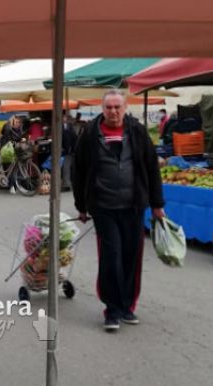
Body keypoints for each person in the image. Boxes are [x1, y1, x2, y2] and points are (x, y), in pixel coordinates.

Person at [72, 89, 165, 332]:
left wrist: (157, 204)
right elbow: (78, 171)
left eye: (117, 107)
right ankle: (112, 309)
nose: (113, 111)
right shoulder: (90, 133)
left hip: (134, 205)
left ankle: (127, 306)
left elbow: (151, 168)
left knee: (131, 256)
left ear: (125, 107)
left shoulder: (137, 131)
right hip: (103, 206)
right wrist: (81, 206)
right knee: (112, 257)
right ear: (102, 109)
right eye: (109, 107)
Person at [61, 113, 78, 192]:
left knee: (67, 167)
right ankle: (67, 183)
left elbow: (73, 138)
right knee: (67, 167)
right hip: (68, 150)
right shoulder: (65, 127)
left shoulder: (70, 127)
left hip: (70, 150)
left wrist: (68, 149)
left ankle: (67, 184)